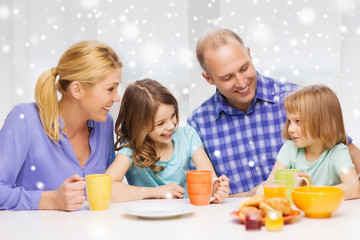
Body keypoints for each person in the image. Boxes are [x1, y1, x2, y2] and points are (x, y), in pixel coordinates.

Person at [187, 28, 360, 197]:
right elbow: (202, 195)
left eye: (244, 68)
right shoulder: (198, 123)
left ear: (249, 54)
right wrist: (252, 195)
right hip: (238, 220)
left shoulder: (295, 100)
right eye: (227, 77)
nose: (241, 82)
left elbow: (342, 146)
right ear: (208, 78)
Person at [0, 40, 123, 211]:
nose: (117, 98)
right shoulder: (24, 119)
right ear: (77, 90)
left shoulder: (104, 124)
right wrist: (50, 200)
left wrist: (155, 192)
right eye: (110, 89)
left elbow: (111, 188)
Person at [105, 79, 230, 202]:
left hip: (184, 215)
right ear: (139, 126)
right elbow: (105, 189)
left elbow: (209, 177)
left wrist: (215, 189)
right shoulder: (131, 148)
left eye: (173, 115)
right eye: (161, 123)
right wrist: (155, 192)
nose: (171, 126)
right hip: (147, 219)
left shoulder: (187, 136)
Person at [265, 84, 360, 200]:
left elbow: (354, 188)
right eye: (289, 121)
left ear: (323, 123)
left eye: (298, 121)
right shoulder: (290, 148)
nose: (290, 128)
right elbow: (270, 184)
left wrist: (312, 192)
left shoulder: (338, 152)